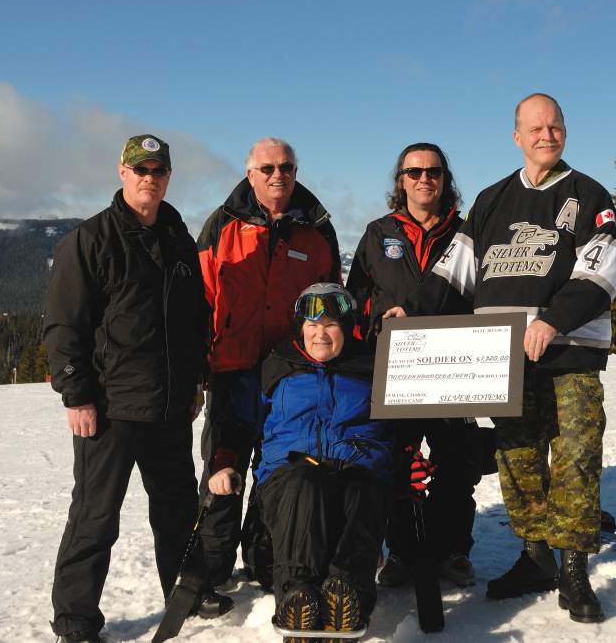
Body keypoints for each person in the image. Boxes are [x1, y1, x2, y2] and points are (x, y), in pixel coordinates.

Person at [385, 94, 616, 623]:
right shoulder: (492, 201)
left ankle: (574, 568)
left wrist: (553, 320)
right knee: (517, 459)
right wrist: (412, 310)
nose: (547, 135)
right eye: (535, 128)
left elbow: (604, 271)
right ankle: (536, 556)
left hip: (569, 353)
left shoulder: (589, 196)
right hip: (503, 360)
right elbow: (454, 275)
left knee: (575, 456)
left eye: (555, 126)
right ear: (516, 136)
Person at [43, 135, 211, 642]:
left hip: (167, 404)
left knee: (178, 506)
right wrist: (77, 395)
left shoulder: (178, 235)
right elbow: (64, 324)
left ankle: (187, 594)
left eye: (158, 170)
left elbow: (192, 318)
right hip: (110, 407)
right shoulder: (91, 239)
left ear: (168, 176)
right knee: (95, 515)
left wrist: (194, 380)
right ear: (122, 172)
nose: (149, 178)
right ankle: (75, 620)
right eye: (140, 169)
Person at [195, 137, 341, 595]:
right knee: (222, 467)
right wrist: (200, 366)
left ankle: (268, 560)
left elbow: (332, 305)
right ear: (250, 172)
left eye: (287, 167)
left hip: (290, 374)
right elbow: (200, 300)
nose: (278, 175)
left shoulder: (317, 229)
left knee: (278, 468)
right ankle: (212, 568)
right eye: (268, 168)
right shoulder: (223, 225)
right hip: (231, 368)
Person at [208, 283, 392, 638]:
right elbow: (238, 422)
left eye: (331, 325)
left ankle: (347, 592)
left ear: (347, 327)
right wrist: (225, 462)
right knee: (306, 481)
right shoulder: (276, 367)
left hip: (356, 471)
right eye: (312, 326)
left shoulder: (371, 367)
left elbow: (404, 423)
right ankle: (297, 595)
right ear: (299, 328)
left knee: (363, 486)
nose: (320, 334)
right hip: (289, 479)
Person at [346, 142, 482, 589]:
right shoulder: (377, 233)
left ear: (445, 179)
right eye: (415, 172)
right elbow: (355, 302)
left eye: (434, 172)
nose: (425, 179)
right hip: (394, 371)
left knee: (456, 462)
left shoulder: (467, 234)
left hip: (453, 368)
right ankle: (401, 552)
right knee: (396, 461)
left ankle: (452, 550)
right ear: (400, 180)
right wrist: (372, 328)